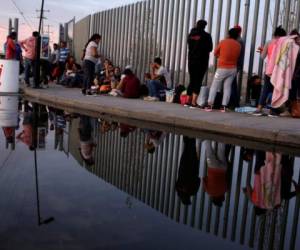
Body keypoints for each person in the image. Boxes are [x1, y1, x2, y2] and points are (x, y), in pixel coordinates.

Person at [253, 26, 287, 116]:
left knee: (265, 90)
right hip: (278, 71)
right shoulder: (284, 43)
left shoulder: (269, 42)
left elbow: (262, 57)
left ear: (275, 34)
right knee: (276, 90)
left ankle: (259, 108)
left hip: (269, 70)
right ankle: (273, 110)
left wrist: (263, 52)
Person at [206, 28, 241, 112]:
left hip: (222, 68)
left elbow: (215, 53)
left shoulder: (223, 42)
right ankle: (224, 106)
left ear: (229, 34)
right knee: (227, 87)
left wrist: (220, 56)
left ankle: (209, 105)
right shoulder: (238, 45)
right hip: (233, 69)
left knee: (214, 86)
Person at [187, 20, 213, 107]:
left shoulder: (190, 35)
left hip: (191, 61)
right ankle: (193, 102)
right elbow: (210, 48)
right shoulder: (207, 36)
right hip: (202, 62)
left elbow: (190, 45)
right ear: (205, 26)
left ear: (197, 24)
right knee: (198, 81)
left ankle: (187, 100)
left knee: (192, 80)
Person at [202, 141, 228, 207]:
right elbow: (204, 179)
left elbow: (226, 181)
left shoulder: (224, 190)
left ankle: (222, 138)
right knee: (209, 152)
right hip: (212, 167)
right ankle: (207, 138)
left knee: (221, 151)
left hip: (223, 169)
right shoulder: (209, 192)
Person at [175, 137, 200, 205]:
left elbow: (198, 180)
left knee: (192, 149)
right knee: (186, 149)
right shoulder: (178, 189)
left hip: (193, 168)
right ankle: (186, 135)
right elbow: (176, 182)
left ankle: (191, 136)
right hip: (183, 167)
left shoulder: (192, 192)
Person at [228, 25, 245, 108]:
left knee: (231, 83)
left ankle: (233, 103)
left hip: (234, 64)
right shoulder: (240, 40)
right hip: (236, 64)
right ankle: (234, 102)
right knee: (232, 83)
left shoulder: (238, 41)